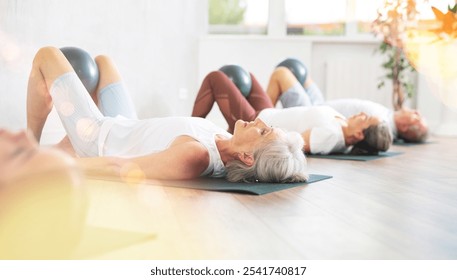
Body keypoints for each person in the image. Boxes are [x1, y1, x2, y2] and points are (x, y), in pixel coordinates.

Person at [26, 46, 308, 183]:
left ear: (247, 157)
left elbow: (119, 168)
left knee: (46, 55)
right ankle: (62, 144)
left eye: (263, 132)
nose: (259, 120)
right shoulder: (225, 140)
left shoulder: (195, 156)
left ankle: (30, 146)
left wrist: (48, 166)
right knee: (103, 62)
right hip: (127, 124)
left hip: (98, 138)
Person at [191, 70, 391, 155]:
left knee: (215, 78)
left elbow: (291, 145)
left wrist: (249, 141)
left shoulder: (331, 136)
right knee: (249, 77)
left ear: (358, 135)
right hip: (267, 111)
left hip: (256, 120)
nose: (362, 114)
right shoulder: (342, 126)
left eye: (365, 119)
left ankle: (191, 131)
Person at [267, 65, 428, 143]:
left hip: (310, 109)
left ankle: (262, 117)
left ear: (405, 127)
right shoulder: (386, 115)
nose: (418, 112)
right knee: (301, 71)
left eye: (417, 118)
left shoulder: (381, 125)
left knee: (282, 73)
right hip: (321, 104)